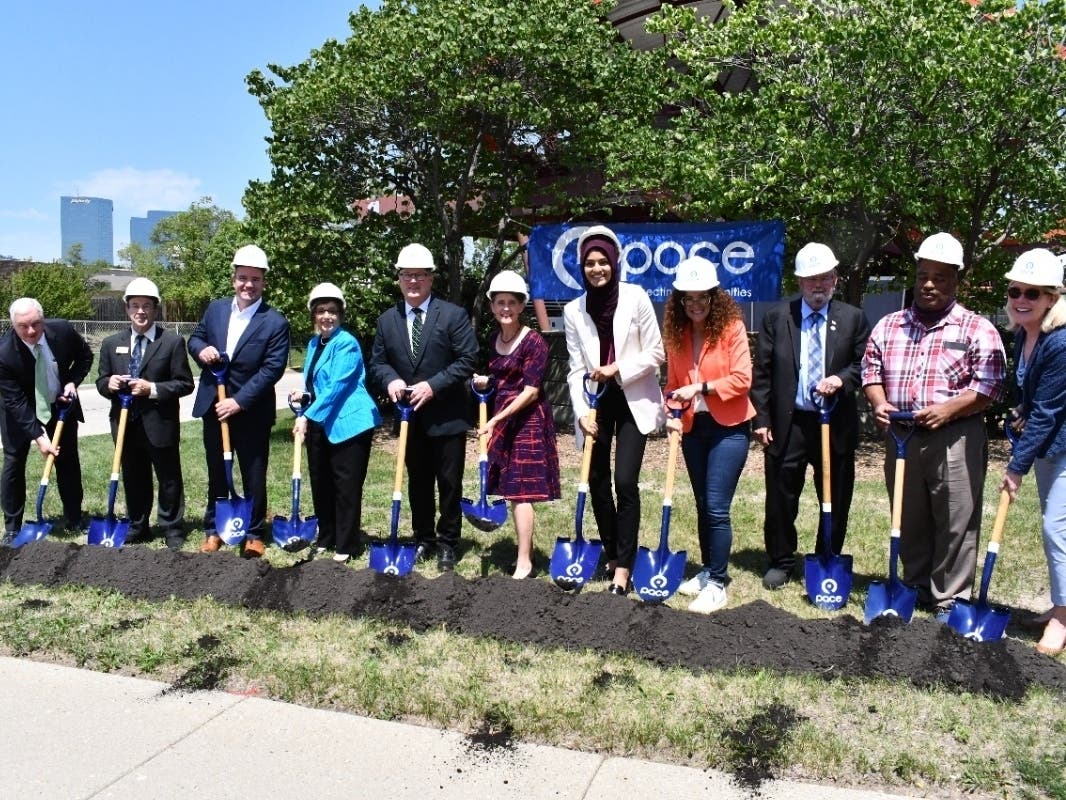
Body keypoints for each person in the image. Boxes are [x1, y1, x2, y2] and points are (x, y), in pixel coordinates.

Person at [862, 231, 1006, 617]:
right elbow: (870, 370)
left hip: (955, 435)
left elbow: (989, 386)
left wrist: (949, 410)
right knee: (908, 517)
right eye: (923, 275)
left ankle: (950, 597)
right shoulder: (889, 325)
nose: (929, 284)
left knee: (956, 518)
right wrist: (879, 403)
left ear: (956, 281)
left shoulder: (977, 329)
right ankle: (915, 586)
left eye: (940, 277)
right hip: (903, 434)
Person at [751, 242, 871, 589]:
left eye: (825, 278)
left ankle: (826, 558)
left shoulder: (853, 318)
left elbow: (864, 365)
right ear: (799, 282)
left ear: (835, 279)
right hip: (789, 423)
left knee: (834, 497)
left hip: (834, 422)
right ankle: (782, 559)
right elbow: (763, 372)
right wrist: (761, 419)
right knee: (780, 497)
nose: (818, 286)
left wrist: (841, 379)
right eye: (810, 280)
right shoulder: (778, 317)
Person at [563, 225, 665, 597]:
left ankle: (624, 568)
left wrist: (617, 368)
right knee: (596, 482)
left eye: (603, 261)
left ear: (615, 261)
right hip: (596, 401)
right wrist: (580, 412)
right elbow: (575, 368)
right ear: (582, 267)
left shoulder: (636, 298)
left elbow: (656, 353)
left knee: (624, 482)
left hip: (632, 399)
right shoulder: (575, 310)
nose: (596, 268)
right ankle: (612, 551)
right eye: (589, 262)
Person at [369, 242, 478, 571]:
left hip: (447, 416)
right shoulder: (387, 320)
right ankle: (423, 539)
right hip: (409, 419)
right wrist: (389, 379)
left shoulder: (453, 316)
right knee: (417, 482)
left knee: (449, 482)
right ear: (399, 279)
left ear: (431, 278)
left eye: (419, 275)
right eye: (406, 275)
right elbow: (377, 362)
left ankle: (447, 542)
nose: (413, 282)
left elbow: (468, 359)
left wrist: (434, 385)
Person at [662, 256, 755, 613]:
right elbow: (672, 384)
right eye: (689, 298)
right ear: (680, 301)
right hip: (693, 429)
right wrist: (670, 408)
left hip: (729, 429)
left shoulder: (731, 329)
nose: (696, 305)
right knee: (703, 505)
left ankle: (718, 583)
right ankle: (707, 569)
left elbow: (742, 379)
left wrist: (700, 388)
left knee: (717, 506)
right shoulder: (677, 335)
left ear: (715, 298)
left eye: (703, 297)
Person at [189, 244, 291, 557]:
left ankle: (255, 533)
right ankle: (214, 529)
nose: (248, 284)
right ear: (234, 278)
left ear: (264, 282)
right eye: (243, 277)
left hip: (251, 411)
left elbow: (272, 369)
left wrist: (239, 401)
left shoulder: (275, 321)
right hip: (213, 406)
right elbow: (196, 337)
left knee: (253, 473)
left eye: (255, 279)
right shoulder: (216, 309)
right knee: (217, 471)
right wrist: (200, 350)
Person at [998, 248, 1066, 656]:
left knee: (1056, 529)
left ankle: (1061, 619)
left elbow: (1049, 410)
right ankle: (1061, 605)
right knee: (1054, 527)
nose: (1021, 299)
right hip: (1050, 445)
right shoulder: (1025, 334)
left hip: (1062, 446)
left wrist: (1016, 465)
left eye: (1033, 293)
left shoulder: (1060, 343)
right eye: (1015, 290)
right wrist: (1020, 408)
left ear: (1052, 298)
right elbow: (1035, 399)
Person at [471, 271, 561, 579]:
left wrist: (495, 419)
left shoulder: (534, 341)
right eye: (499, 303)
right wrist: (486, 381)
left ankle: (525, 561)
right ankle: (523, 555)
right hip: (503, 418)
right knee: (511, 490)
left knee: (522, 492)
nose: (505, 308)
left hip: (527, 422)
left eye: (511, 302)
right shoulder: (494, 339)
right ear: (493, 306)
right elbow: (502, 378)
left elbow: (530, 390)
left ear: (522, 305)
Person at [95, 278, 194, 549]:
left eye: (147, 306)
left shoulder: (171, 342)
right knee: (134, 476)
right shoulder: (111, 343)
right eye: (135, 306)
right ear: (127, 309)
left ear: (155, 309)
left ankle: (172, 526)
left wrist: (151, 389)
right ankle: (138, 525)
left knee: (168, 477)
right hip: (126, 424)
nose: (141, 311)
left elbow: (185, 384)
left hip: (160, 423)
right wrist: (110, 384)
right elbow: (101, 382)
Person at [290, 282, 381, 563]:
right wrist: (304, 395)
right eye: (320, 311)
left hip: (349, 424)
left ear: (340, 314)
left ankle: (347, 544)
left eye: (331, 311)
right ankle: (326, 536)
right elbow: (319, 384)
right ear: (313, 315)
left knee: (346, 486)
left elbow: (338, 386)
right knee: (321, 483)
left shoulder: (347, 343)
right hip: (322, 419)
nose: (326, 316)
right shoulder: (314, 343)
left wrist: (306, 416)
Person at [0, 298, 93, 542]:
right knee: (13, 463)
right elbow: (15, 402)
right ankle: (12, 527)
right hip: (19, 412)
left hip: (59, 405)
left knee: (68, 461)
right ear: (13, 325)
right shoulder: (4, 354)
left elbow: (85, 357)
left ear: (42, 319)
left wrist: (72, 380)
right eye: (23, 326)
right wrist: (40, 438)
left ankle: (74, 517)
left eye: (35, 324)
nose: (30, 331)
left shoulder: (61, 330)